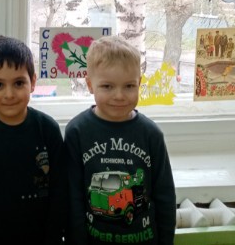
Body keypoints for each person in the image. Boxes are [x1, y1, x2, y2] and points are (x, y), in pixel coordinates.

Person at [65, 35, 176, 245]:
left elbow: (165, 196)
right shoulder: (77, 132)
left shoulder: (151, 135)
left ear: (139, 84)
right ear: (90, 85)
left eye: (129, 86)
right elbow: (73, 199)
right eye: (107, 86)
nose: (119, 95)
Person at [0, 35, 66, 245]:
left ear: (33, 82)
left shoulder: (48, 130)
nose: (9, 94)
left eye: (19, 83)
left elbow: (59, 193)